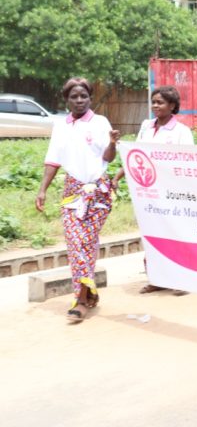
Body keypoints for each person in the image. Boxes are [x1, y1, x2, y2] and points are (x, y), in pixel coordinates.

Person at [35, 77, 120, 322]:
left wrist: (113, 143)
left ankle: (83, 299)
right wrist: (42, 190)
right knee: (75, 242)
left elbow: (109, 157)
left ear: (90, 98)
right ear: (67, 100)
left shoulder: (100, 122)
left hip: (99, 192)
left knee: (86, 242)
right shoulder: (61, 126)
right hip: (72, 192)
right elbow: (53, 160)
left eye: (84, 96)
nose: (80, 100)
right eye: (74, 96)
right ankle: (84, 296)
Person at [114, 86, 193, 295]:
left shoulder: (181, 132)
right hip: (147, 192)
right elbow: (136, 155)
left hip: (171, 193)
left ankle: (182, 280)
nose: (155, 106)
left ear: (173, 105)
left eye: (160, 102)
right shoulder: (146, 127)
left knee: (174, 234)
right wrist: (117, 177)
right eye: (154, 102)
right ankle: (157, 278)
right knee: (151, 234)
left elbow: (187, 164)